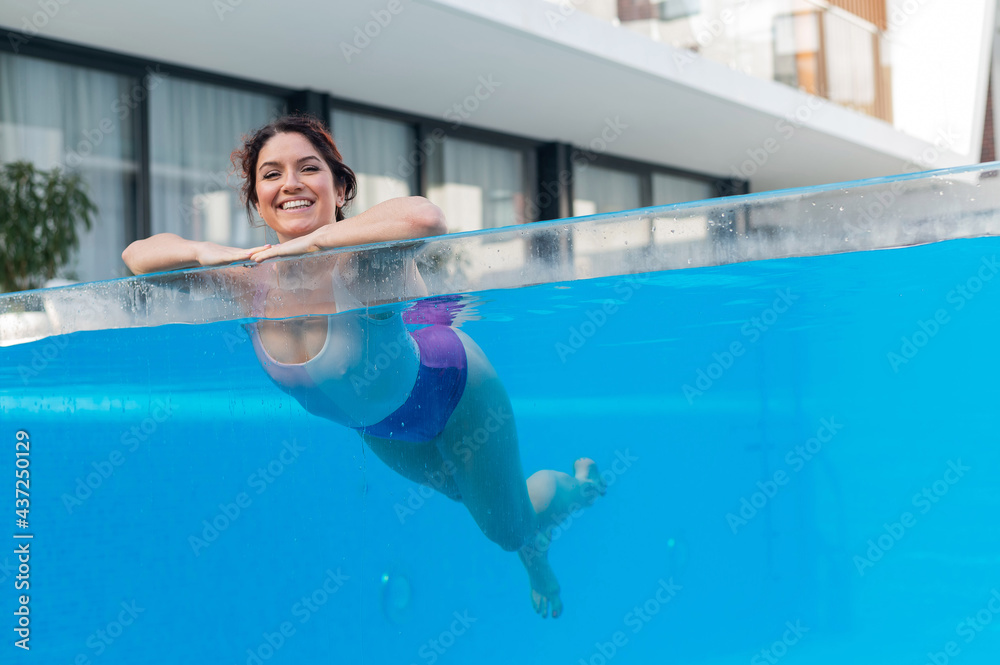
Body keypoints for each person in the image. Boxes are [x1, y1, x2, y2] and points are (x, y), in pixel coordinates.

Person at [122, 114, 605, 618]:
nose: (290, 183)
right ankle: (534, 537)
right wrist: (208, 252)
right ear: (255, 198)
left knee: (507, 530)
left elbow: (424, 219)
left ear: (339, 185)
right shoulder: (246, 284)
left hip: (456, 391)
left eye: (309, 168)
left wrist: (315, 242)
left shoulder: (361, 263)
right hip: (380, 427)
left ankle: (580, 491)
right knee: (473, 498)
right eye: (271, 174)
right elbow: (137, 256)